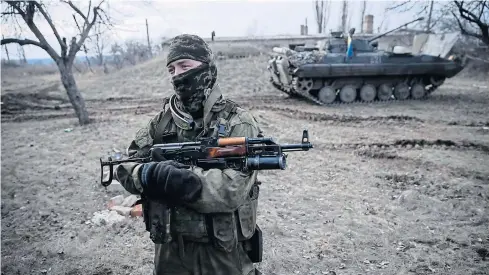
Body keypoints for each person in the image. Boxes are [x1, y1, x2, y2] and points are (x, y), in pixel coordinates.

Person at [113, 34, 263, 275]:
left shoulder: (237, 122)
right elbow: (125, 166)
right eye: (171, 69)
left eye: (185, 66)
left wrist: (185, 182)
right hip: (170, 249)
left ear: (207, 69)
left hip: (220, 250)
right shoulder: (160, 124)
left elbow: (232, 190)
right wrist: (148, 174)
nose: (177, 75)